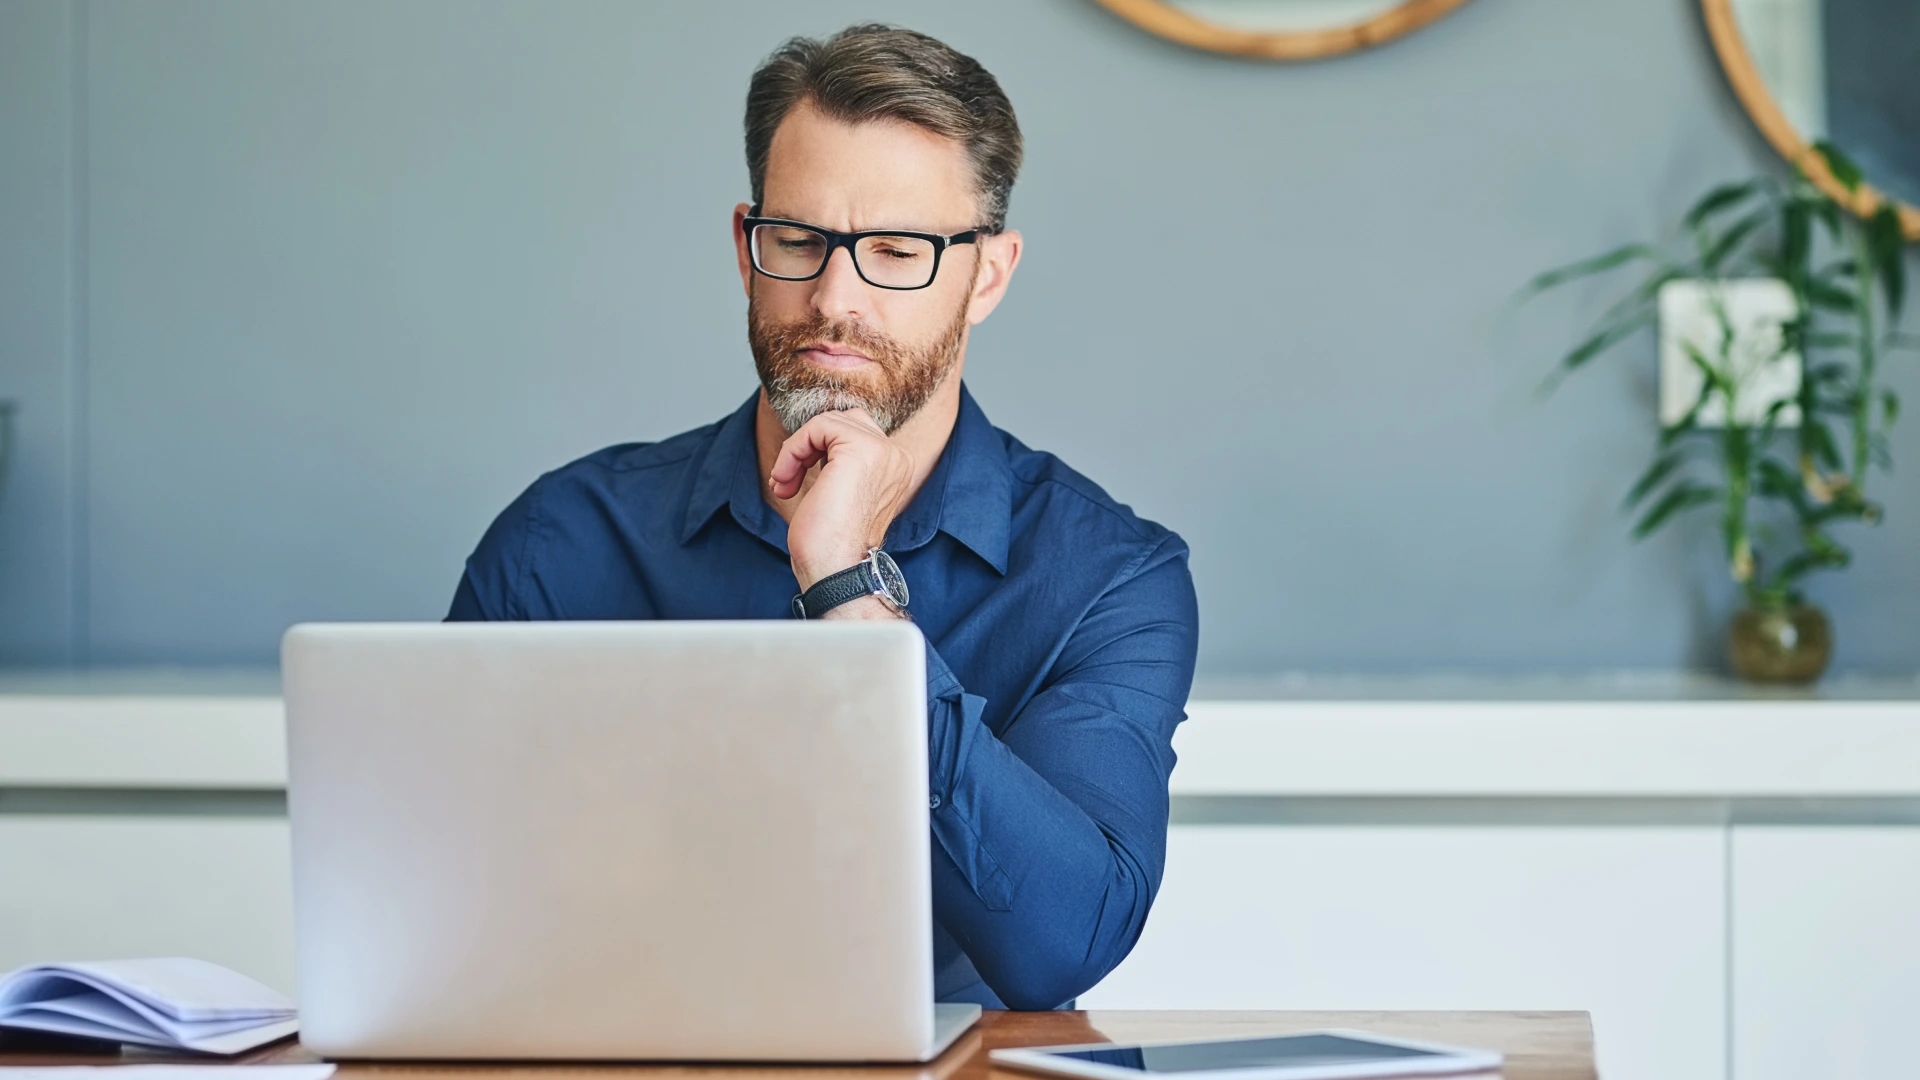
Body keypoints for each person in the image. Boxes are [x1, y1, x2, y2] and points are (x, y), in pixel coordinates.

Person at [448, 24, 1199, 1011]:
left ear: (989, 274)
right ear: (744, 245)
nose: (834, 299)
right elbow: (445, 905)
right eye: (798, 241)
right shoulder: (566, 539)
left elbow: (1064, 946)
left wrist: (847, 586)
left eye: (897, 250)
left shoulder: (1107, 578)